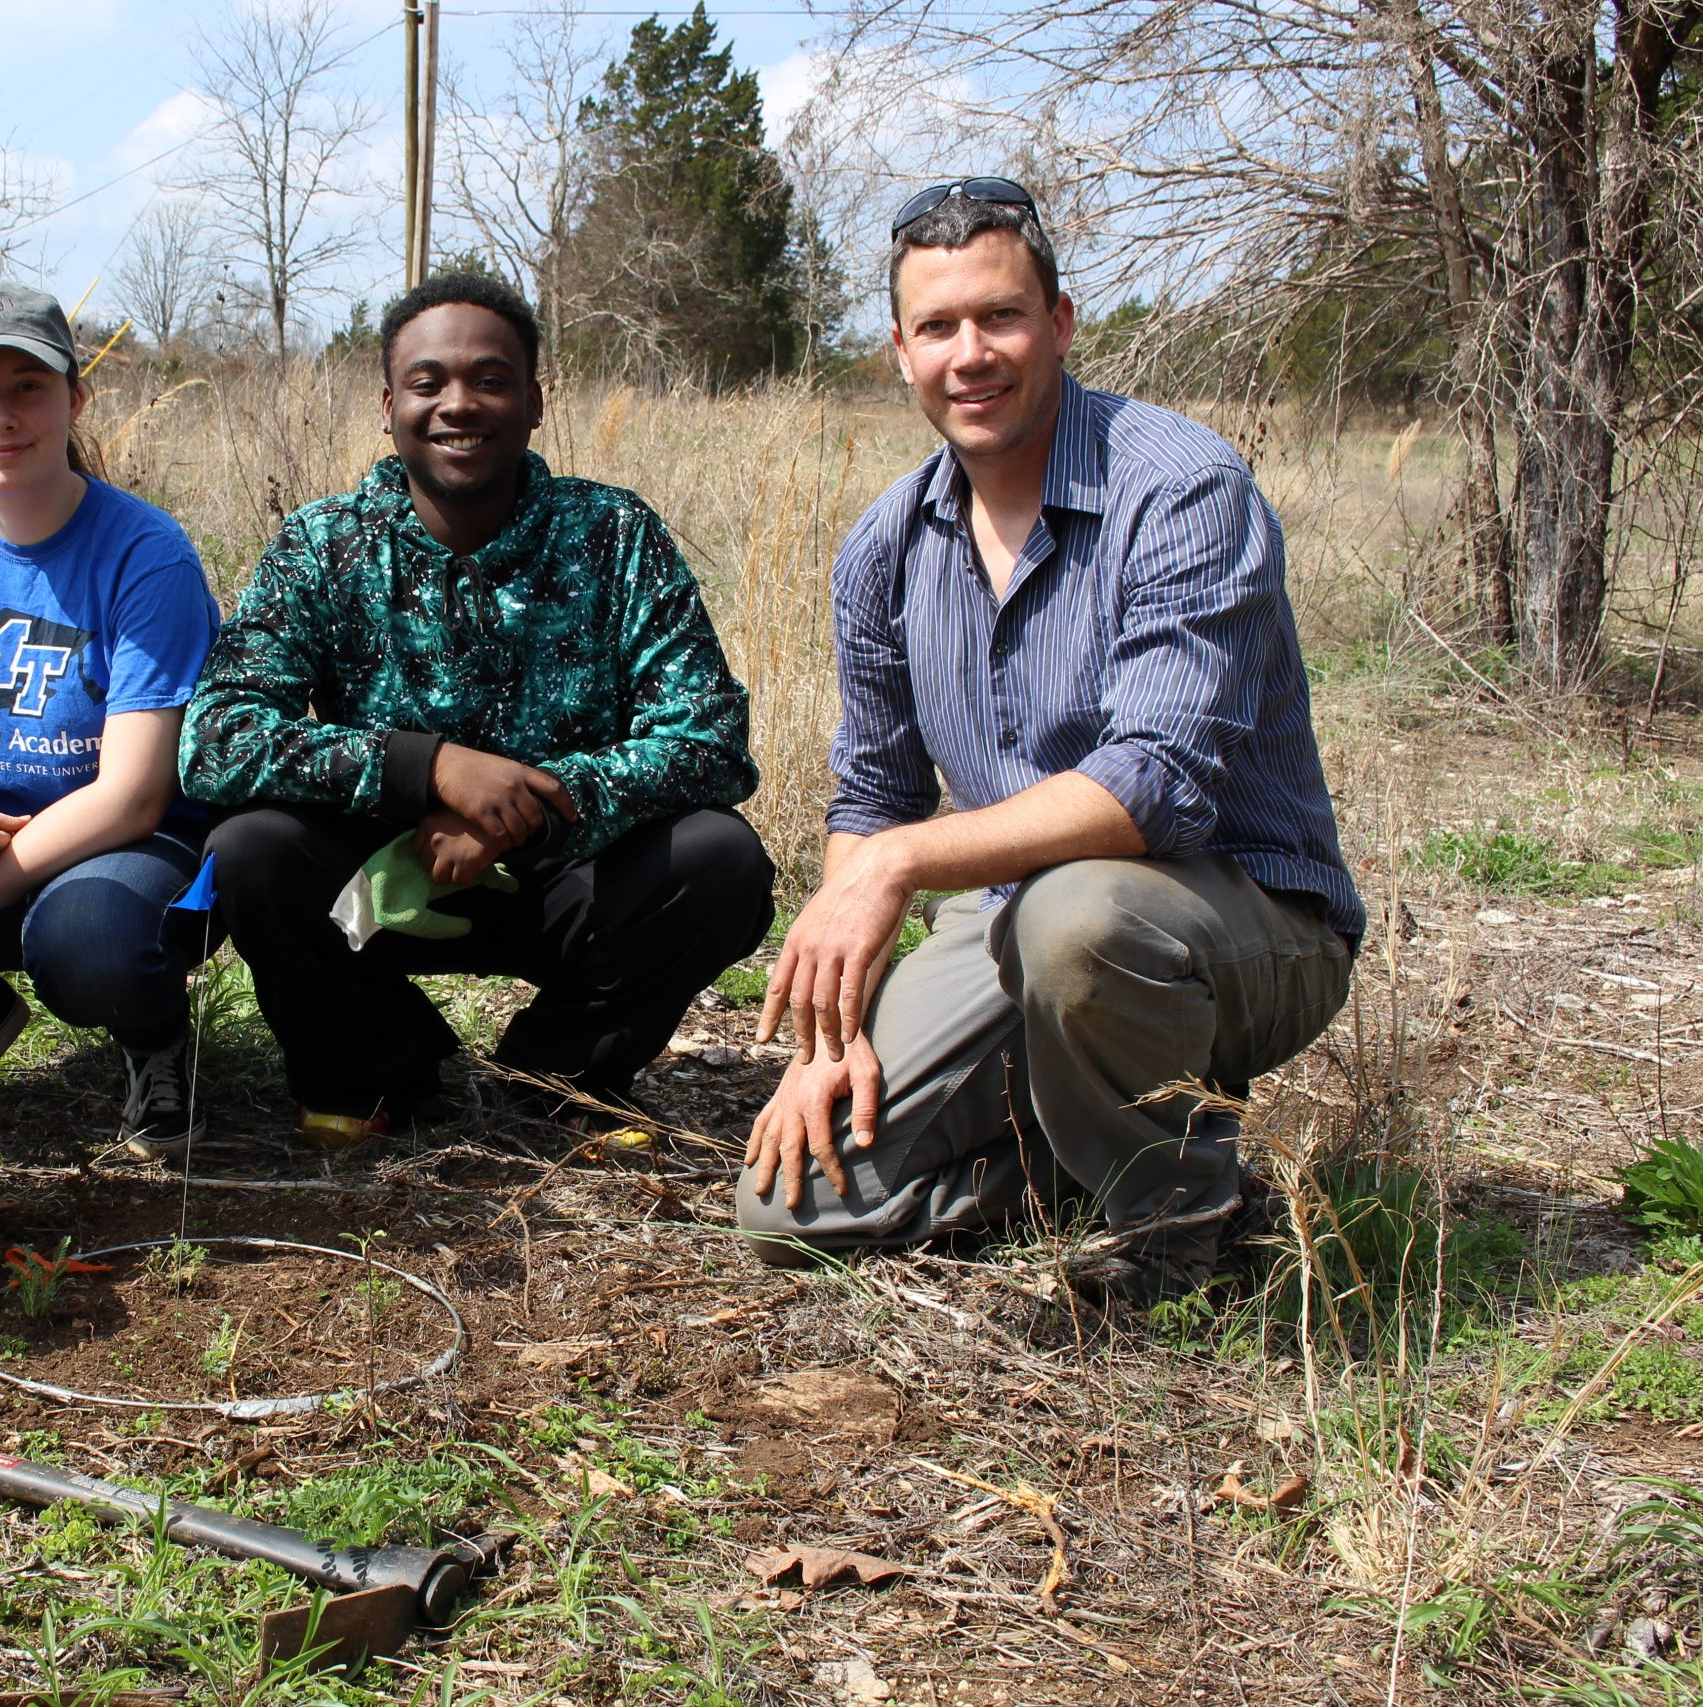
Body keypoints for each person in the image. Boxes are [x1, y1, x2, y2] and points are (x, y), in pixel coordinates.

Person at [735, 178, 1364, 1299]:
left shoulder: (1179, 488)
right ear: (899, 351)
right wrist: (830, 1038)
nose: (970, 353)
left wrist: (900, 864)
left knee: (1080, 918)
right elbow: (872, 793)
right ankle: (1077, 1161)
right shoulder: (883, 548)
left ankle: (1176, 1226)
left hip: (1237, 918)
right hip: (1007, 924)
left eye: (1000, 317)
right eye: (937, 327)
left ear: (1060, 323)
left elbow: (1152, 789)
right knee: (795, 1202)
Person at [180, 272, 774, 1144]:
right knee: (251, 851)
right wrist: (427, 769)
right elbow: (216, 737)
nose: (459, 403)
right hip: (382, 884)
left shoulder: (614, 534)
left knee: (719, 858)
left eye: (490, 379)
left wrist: (523, 810)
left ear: (535, 402)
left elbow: (711, 741)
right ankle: (384, 1069)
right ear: (390, 405)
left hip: (570, 875)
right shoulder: (324, 542)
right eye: (429, 382)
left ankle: (564, 1075)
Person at [0, 281, 221, 1158]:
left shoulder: (147, 553)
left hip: (134, 852)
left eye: (27, 387)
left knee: (89, 940)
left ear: (75, 397)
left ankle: (156, 1039)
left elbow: (133, 797)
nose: (1, 415)